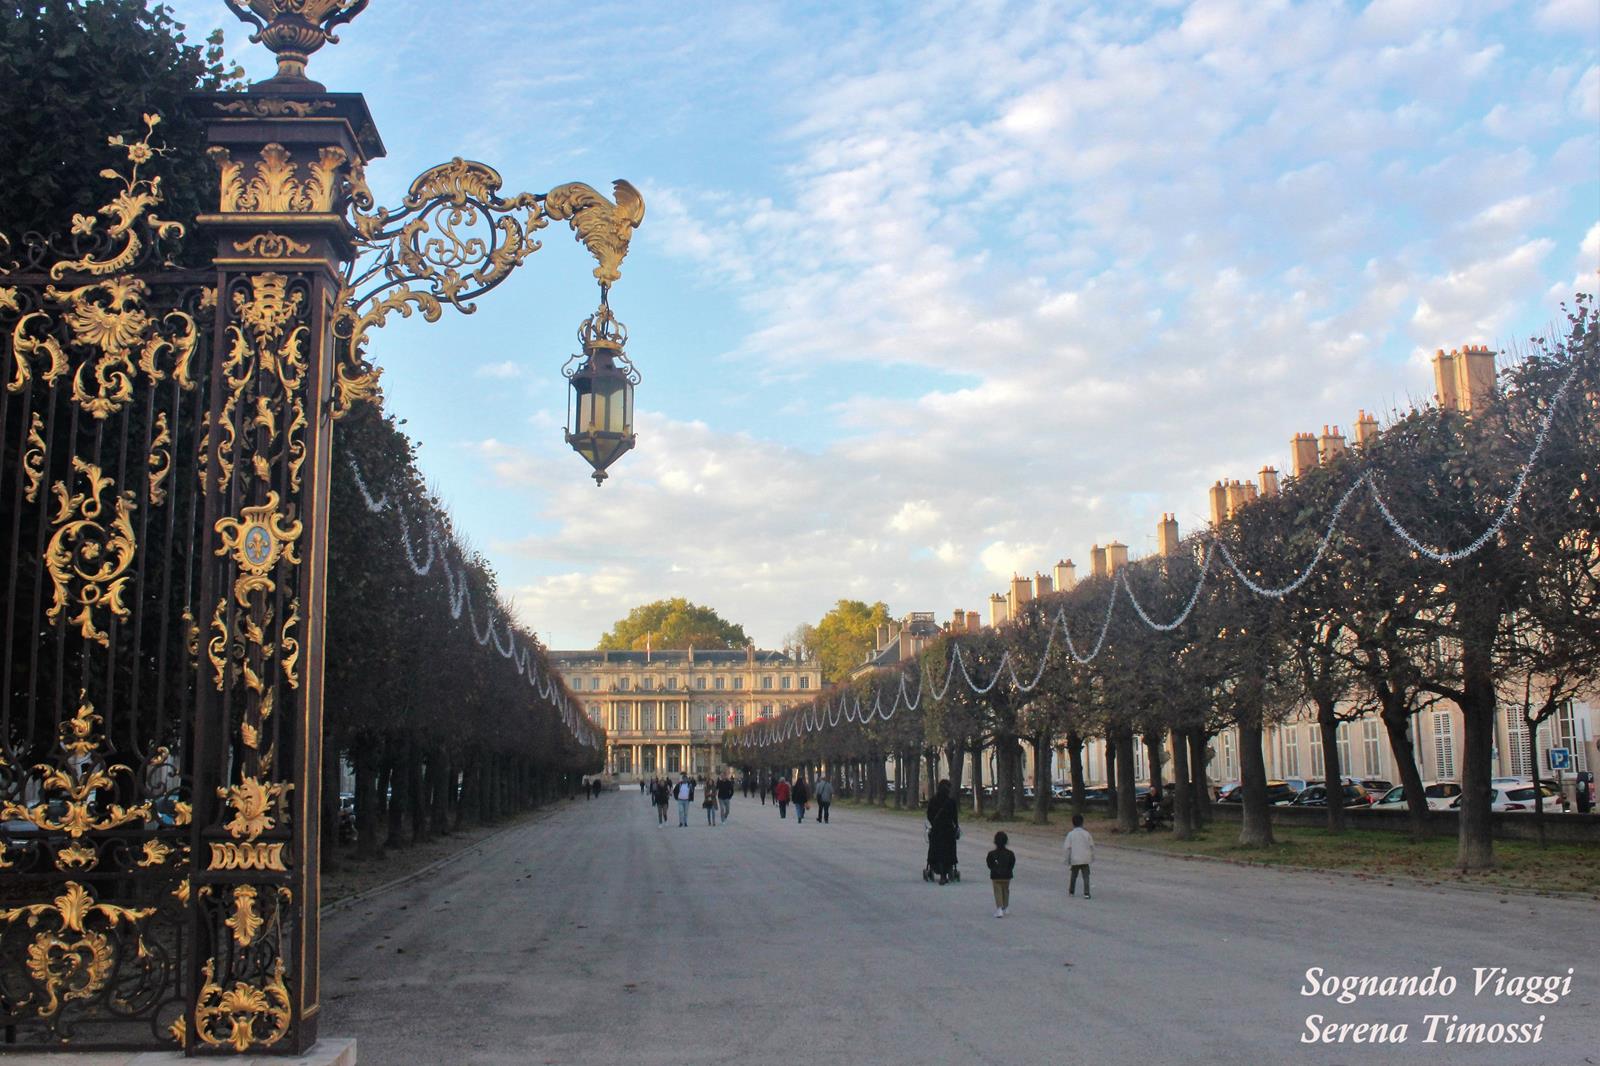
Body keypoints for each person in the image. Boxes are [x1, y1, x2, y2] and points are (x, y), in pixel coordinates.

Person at [925, 779, 960, 885]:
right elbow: (955, 817)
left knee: (936, 850)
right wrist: (956, 827)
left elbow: (929, 815)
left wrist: (934, 824)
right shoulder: (951, 802)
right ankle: (947, 871)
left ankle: (938, 871)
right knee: (948, 851)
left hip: (936, 830)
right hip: (948, 831)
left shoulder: (933, 800)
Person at [1063, 813, 1094, 899]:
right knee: (1086, 876)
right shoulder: (1087, 834)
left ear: (1073, 823)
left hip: (1075, 858)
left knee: (1073, 875)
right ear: (1082, 823)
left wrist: (1067, 859)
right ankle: (1086, 893)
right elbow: (1091, 846)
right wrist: (1092, 857)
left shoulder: (1070, 834)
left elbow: (1067, 848)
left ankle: (1071, 891)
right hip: (1085, 858)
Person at [987, 830, 1016, 917]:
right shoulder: (1010, 853)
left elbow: (989, 864)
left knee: (997, 891)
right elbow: (1012, 864)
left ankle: (999, 909)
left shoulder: (991, 854)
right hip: (1007, 876)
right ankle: (1006, 907)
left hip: (996, 876)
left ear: (995, 842)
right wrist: (1008, 870)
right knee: (1006, 891)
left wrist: (994, 869)